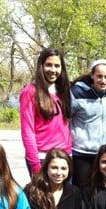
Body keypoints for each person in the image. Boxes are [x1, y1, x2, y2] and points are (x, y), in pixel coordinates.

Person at [20, 47, 72, 175]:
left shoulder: (64, 90)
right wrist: (35, 164)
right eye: (49, 65)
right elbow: (27, 131)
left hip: (65, 157)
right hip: (42, 157)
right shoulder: (30, 92)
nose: (53, 70)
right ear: (41, 66)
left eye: (57, 66)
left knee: (65, 195)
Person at [70, 59, 106, 188]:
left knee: (100, 192)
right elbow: (64, 119)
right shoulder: (76, 93)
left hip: (103, 153)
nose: (103, 80)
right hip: (82, 153)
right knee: (82, 191)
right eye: (99, 76)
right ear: (92, 75)